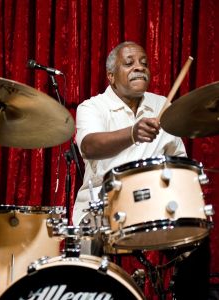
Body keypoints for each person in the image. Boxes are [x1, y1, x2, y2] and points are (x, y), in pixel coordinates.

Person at [72, 41, 210, 299]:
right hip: (102, 209)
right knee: (89, 254)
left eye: (144, 63)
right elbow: (89, 146)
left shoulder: (164, 108)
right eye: (130, 63)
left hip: (156, 207)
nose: (139, 68)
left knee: (197, 239)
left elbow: (178, 159)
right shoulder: (92, 107)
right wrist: (133, 133)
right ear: (111, 76)